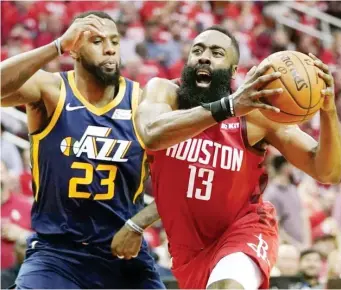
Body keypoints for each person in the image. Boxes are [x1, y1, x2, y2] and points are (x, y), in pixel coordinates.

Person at [111, 25, 341, 289]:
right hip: (189, 249)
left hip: (244, 229)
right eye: (197, 50)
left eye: (217, 52)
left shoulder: (256, 114)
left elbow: (328, 172)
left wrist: (328, 112)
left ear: (233, 72)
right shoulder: (164, 93)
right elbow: (151, 134)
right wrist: (138, 224)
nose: (204, 56)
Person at [1, 11, 164, 289]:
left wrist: (139, 224)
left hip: (121, 253)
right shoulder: (51, 90)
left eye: (114, 40)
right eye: (97, 40)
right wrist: (57, 46)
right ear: (74, 50)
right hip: (57, 254)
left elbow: (181, 175)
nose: (110, 48)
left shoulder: (143, 101)